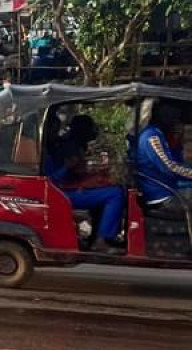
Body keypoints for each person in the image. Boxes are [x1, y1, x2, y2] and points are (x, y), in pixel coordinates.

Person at [45, 114, 126, 249]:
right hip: (60, 192)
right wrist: (68, 167)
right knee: (115, 194)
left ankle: (98, 235)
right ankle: (103, 239)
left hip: (66, 188)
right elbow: (54, 178)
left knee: (111, 190)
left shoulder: (71, 145)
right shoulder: (64, 147)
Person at [136, 103, 192, 209]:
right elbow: (169, 168)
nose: (176, 117)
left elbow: (177, 162)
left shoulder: (158, 133)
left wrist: (176, 141)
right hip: (162, 196)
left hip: (169, 188)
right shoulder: (151, 136)